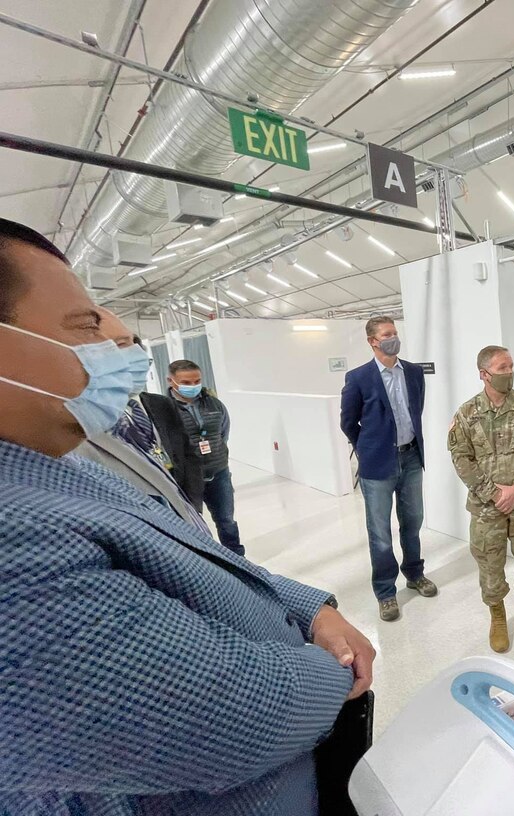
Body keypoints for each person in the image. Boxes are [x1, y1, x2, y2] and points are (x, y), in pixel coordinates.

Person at [0, 218, 375, 815]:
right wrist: (336, 666)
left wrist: (309, 609)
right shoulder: (13, 542)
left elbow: (192, 553)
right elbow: (236, 715)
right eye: (85, 327)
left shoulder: (60, 460)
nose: (114, 344)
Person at [448, 345, 514, 653]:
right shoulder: (467, 414)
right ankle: (498, 618)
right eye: (503, 368)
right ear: (484, 374)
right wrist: (495, 494)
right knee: (490, 565)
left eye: (511, 366)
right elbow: (461, 458)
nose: (510, 372)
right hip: (486, 509)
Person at [75, 309, 209, 533]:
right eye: (119, 344)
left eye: (134, 342)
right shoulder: (84, 429)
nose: (135, 352)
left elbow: (188, 454)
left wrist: (192, 504)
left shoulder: (162, 405)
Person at [340, 316, 436, 622]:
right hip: (377, 464)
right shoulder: (358, 378)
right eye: (386, 334)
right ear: (372, 341)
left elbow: (415, 409)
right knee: (379, 532)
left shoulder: (413, 372)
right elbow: (347, 422)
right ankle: (385, 592)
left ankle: (414, 574)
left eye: (394, 333)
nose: (393, 338)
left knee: (413, 521)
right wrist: (369, 448)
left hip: (410, 458)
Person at [142, 359, 244, 556]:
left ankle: (237, 557)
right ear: (171, 381)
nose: (193, 387)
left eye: (196, 381)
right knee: (192, 520)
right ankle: (207, 558)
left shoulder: (214, 404)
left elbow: (223, 433)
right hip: (186, 477)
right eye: (186, 383)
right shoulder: (162, 409)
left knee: (226, 519)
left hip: (218, 471)